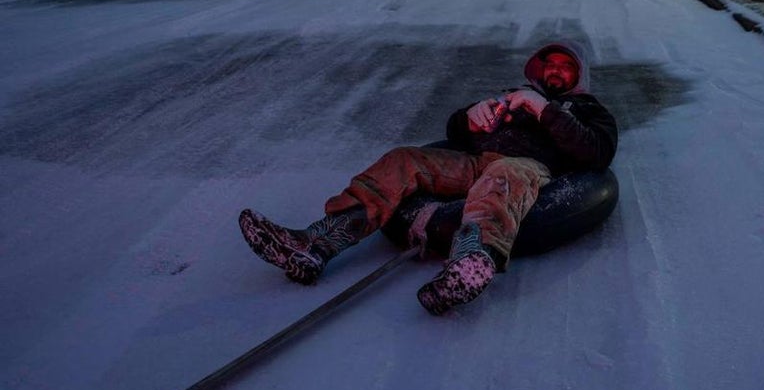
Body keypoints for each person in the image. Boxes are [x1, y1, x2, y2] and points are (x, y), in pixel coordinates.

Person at [238, 42, 617, 315]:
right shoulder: (512, 96)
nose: (554, 70)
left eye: (564, 65)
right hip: (475, 161)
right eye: (548, 63)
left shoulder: (586, 109)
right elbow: (455, 133)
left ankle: (471, 260)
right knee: (404, 160)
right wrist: (469, 116)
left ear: (579, 74)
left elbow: (596, 151)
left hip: (532, 169)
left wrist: (546, 111)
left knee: (505, 173)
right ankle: (315, 242)